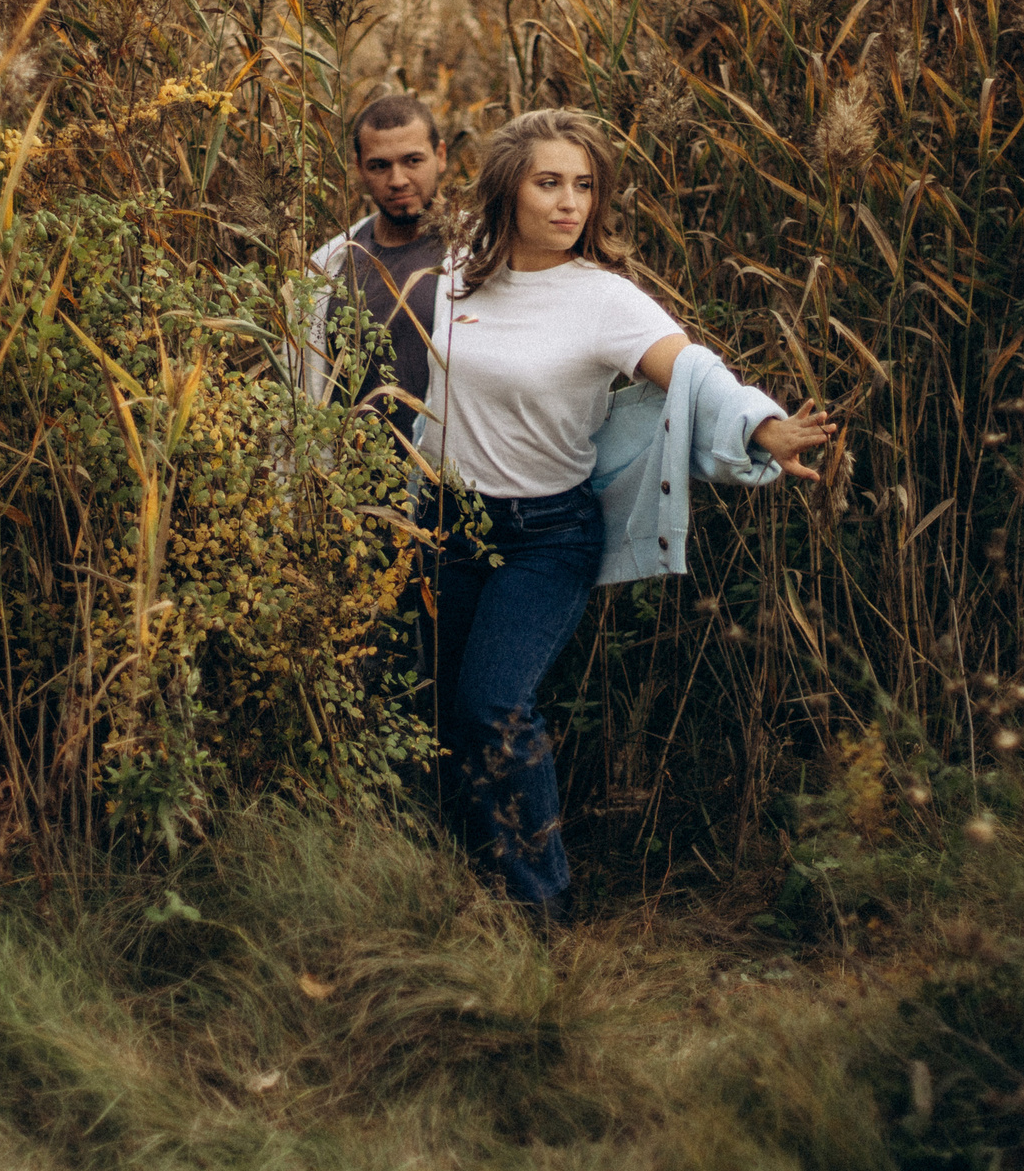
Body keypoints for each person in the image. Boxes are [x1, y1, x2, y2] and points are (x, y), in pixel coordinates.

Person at [416, 107, 839, 926]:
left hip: (545, 538)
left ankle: (538, 910)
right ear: (509, 188)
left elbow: (696, 373)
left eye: (583, 185)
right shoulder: (455, 274)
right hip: (444, 526)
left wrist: (761, 425)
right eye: (549, 183)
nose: (569, 202)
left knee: (493, 706)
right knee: (436, 710)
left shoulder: (605, 300)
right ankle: (457, 880)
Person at [301, 94, 450, 436]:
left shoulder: (480, 255)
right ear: (359, 168)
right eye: (380, 165)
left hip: (444, 479)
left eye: (413, 160)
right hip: (350, 478)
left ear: (440, 156)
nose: (397, 180)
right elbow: (307, 384)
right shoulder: (330, 263)